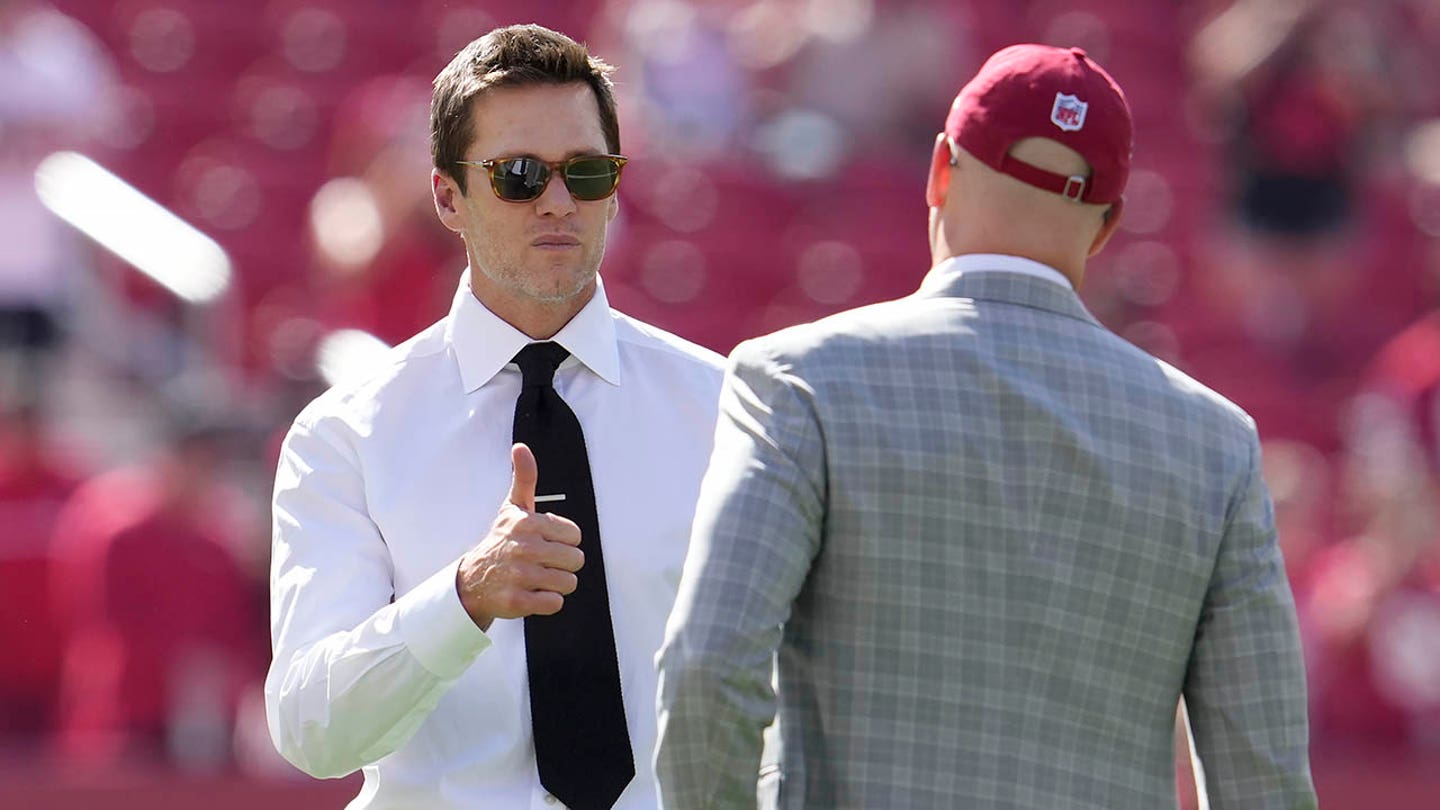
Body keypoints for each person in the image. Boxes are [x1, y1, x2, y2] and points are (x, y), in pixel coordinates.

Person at [655, 44, 1317, 809]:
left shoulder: (798, 381)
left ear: (941, 170)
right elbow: (1263, 777)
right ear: (1107, 227)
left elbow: (709, 666)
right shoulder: (1216, 447)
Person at [265, 24, 724, 810]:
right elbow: (312, 730)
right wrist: (464, 597)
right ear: (448, 197)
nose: (558, 201)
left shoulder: (722, 409)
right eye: (519, 175)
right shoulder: (345, 435)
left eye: (587, 172)